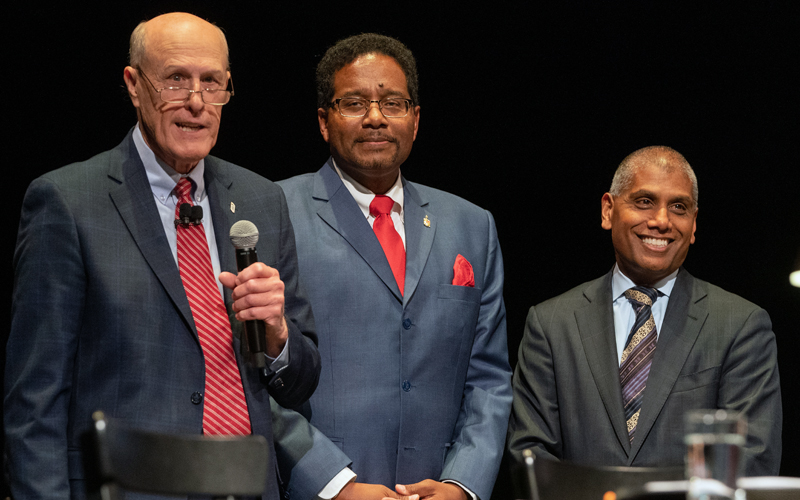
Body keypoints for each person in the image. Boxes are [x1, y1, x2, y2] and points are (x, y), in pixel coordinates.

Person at [4, 13, 320, 499]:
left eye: (212, 83)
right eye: (176, 79)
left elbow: (300, 383)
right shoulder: (67, 202)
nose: (196, 103)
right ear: (134, 85)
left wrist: (278, 335)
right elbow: (34, 402)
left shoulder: (260, 201)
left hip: (247, 485)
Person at [273, 34, 512, 500]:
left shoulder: (472, 225)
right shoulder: (275, 209)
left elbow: (488, 379)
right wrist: (333, 483)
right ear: (324, 121)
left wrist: (461, 484)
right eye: (355, 103)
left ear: (416, 120)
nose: (376, 117)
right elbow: (250, 373)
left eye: (393, 103)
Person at [507, 146, 782, 475]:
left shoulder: (741, 325)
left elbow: (750, 460)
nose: (662, 221)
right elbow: (530, 455)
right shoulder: (551, 323)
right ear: (608, 210)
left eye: (678, 207)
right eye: (644, 202)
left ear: (694, 224)